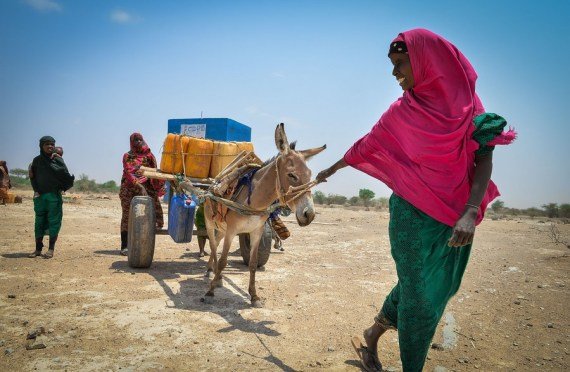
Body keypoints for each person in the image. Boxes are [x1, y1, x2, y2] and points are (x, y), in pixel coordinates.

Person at [317, 29, 516, 372]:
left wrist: (470, 211)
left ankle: (371, 333)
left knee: (434, 287)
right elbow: (367, 144)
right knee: (421, 299)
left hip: (456, 216)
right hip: (410, 215)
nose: (394, 74)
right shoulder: (401, 111)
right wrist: (330, 170)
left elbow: (484, 159)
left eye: (400, 63)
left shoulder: (470, 108)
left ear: (427, 62)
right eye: (392, 65)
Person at [29, 136, 75, 258]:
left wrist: (62, 188)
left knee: (54, 222)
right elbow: (32, 176)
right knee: (39, 222)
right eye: (47, 144)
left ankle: (51, 249)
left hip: (54, 196)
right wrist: (36, 191)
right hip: (40, 197)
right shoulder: (36, 161)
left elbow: (65, 176)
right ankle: (38, 249)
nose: (50, 146)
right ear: (41, 146)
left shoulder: (58, 160)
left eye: (52, 144)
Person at [119, 133, 165, 256]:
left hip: (146, 185)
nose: (138, 142)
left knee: (154, 207)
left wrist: (159, 186)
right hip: (129, 188)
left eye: (140, 139)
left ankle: (147, 240)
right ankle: (124, 246)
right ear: (131, 142)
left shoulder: (149, 156)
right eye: (136, 140)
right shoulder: (127, 156)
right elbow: (129, 173)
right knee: (127, 215)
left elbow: (155, 171)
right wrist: (139, 186)